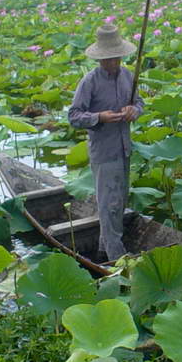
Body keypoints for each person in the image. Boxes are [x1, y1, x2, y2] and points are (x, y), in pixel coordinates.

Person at [68, 24, 144, 261]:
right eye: (107, 59)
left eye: (116, 58)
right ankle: (116, 260)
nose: (112, 63)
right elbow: (73, 116)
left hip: (124, 148)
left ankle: (103, 249)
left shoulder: (128, 76)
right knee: (108, 205)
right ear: (100, 58)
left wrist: (134, 111)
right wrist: (99, 117)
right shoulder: (89, 81)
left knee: (119, 202)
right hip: (104, 150)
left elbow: (140, 103)